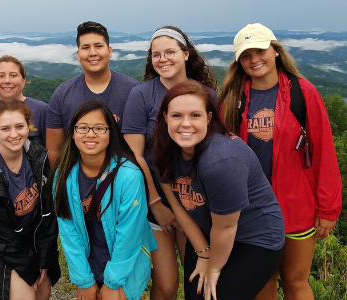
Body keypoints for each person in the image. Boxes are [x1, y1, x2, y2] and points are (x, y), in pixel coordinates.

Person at [218, 23, 342, 300]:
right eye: (246, 55)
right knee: (263, 282)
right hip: (252, 208)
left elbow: (324, 152)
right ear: (239, 61)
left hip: (296, 204)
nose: (254, 60)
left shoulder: (303, 92)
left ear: (275, 50)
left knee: (295, 281)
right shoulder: (233, 98)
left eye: (260, 51)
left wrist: (328, 207)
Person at [151, 80, 285, 300]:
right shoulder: (162, 150)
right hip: (210, 230)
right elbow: (177, 206)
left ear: (209, 118)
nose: (185, 124)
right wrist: (204, 254)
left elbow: (227, 227)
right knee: (195, 295)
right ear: (165, 117)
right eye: (176, 116)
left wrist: (214, 269)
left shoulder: (221, 162)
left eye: (195, 115)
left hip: (254, 238)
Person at [121, 26, 217, 300]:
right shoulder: (142, 95)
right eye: (156, 55)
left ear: (186, 54)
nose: (162, 59)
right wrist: (155, 203)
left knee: (196, 283)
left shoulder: (207, 94)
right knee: (166, 285)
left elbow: (214, 150)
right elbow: (134, 154)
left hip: (196, 203)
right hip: (156, 205)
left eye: (170, 52)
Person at [53, 100, 158, 300]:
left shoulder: (129, 176)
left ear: (111, 133)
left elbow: (129, 235)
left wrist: (112, 282)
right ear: (73, 133)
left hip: (124, 268)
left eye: (100, 128)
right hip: (88, 267)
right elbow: (68, 231)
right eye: (82, 128)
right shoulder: (64, 175)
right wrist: (84, 280)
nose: (90, 134)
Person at [0, 99, 60, 300]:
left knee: (43, 291)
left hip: (29, 241)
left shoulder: (39, 157)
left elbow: (47, 214)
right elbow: (0, 236)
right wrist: (30, 269)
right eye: (5, 128)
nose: (14, 134)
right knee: (26, 295)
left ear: (28, 127)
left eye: (19, 126)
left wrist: (44, 258)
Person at [46, 21, 139, 168]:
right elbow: (54, 149)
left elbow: (139, 149)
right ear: (78, 54)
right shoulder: (62, 94)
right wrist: (60, 184)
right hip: (75, 179)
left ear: (110, 51)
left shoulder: (133, 90)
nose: (92, 53)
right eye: (85, 47)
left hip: (123, 179)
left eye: (98, 46)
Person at [0, 55, 47, 146]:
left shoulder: (41, 110)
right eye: (1, 76)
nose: (7, 81)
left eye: (13, 75)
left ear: (24, 80)